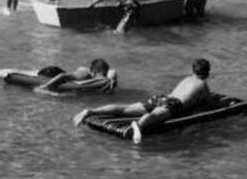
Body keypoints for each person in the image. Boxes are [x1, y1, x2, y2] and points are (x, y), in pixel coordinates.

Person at [73, 58, 214, 144]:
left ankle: (90, 111)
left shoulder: (186, 79)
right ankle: (138, 125)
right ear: (207, 73)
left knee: (125, 109)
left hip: (161, 98)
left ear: (192, 70)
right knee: (155, 115)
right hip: (174, 104)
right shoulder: (202, 84)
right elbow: (209, 101)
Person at [0, 59, 117, 93]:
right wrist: (45, 87)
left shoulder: (92, 72)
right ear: (94, 72)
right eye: (101, 74)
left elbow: (112, 73)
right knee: (23, 74)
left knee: (23, 71)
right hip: (51, 74)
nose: (103, 76)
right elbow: (62, 76)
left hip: (54, 71)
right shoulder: (84, 75)